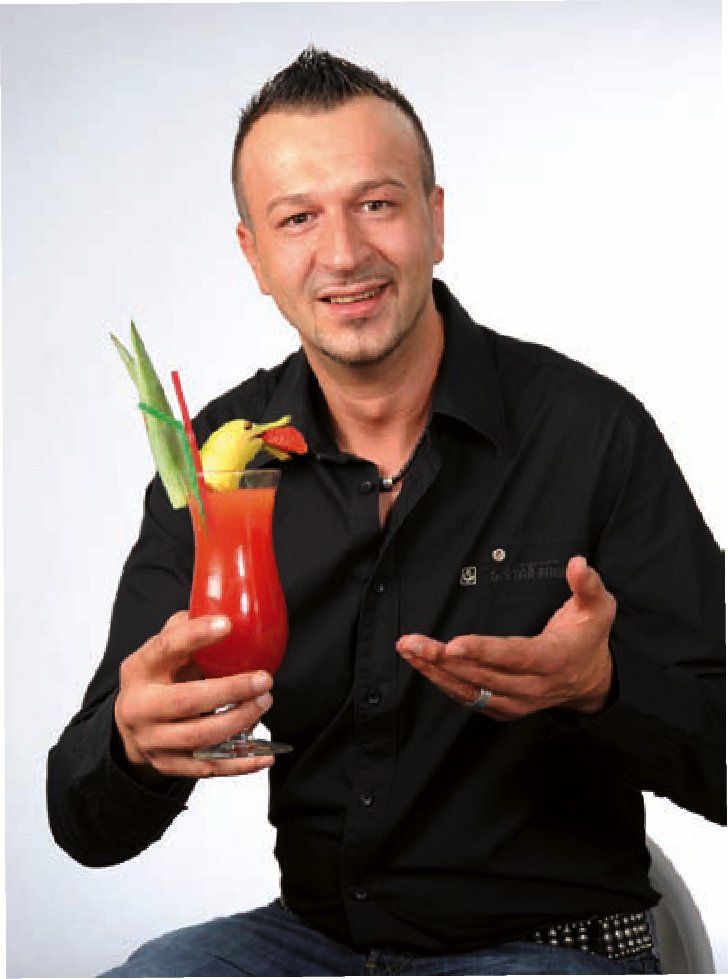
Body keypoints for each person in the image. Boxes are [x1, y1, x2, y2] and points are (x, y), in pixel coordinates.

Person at [47, 47, 725, 977]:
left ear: (435, 220)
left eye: (376, 203)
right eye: (297, 218)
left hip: (550, 942)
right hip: (313, 945)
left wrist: (604, 687)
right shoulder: (218, 463)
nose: (343, 253)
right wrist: (131, 745)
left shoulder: (590, 431)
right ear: (253, 255)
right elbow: (82, 825)